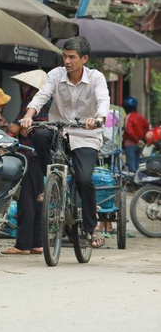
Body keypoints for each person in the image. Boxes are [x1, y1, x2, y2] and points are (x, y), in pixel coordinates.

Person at [20, 37, 111, 249]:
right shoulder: (55, 75)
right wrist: (29, 114)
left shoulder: (96, 78)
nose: (67, 61)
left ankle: (90, 226)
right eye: (65, 56)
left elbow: (103, 100)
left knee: (84, 178)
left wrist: (98, 118)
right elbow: (41, 96)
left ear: (84, 59)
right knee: (40, 134)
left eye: (72, 57)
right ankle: (50, 181)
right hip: (59, 132)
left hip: (86, 136)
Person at [3, 70, 49, 255]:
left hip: (29, 155)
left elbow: (15, 127)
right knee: (38, 199)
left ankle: (22, 245)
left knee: (26, 200)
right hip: (42, 156)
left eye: (24, 86)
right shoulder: (47, 104)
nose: (22, 89)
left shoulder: (29, 104)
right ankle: (37, 243)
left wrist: (10, 131)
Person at [122, 96, 149, 173]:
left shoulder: (128, 117)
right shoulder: (140, 116)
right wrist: (142, 139)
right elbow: (147, 128)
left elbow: (128, 130)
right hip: (140, 144)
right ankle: (141, 179)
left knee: (131, 165)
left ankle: (133, 182)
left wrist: (136, 140)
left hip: (130, 144)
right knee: (140, 162)